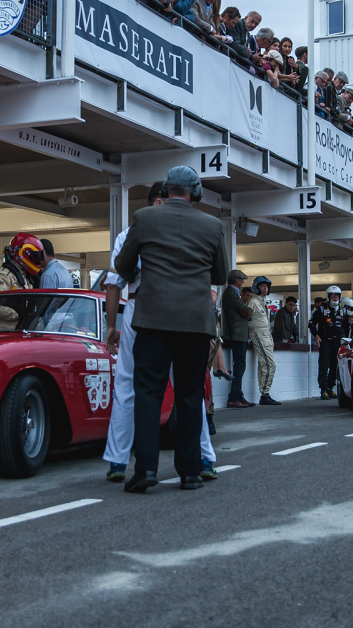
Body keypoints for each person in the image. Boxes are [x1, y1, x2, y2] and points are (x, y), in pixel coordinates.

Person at [114, 165, 230, 493]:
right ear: (195, 193)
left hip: (152, 321)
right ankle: (190, 472)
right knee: (190, 395)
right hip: (195, 323)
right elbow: (220, 275)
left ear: (166, 190)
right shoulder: (212, 225)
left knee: (148, 393)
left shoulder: (145, 218)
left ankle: (146, 469)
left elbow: (122, 267)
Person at [0, 232, 45, 331]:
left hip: (17, 331)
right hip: (0, 334)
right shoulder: (2, 276)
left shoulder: (25, 276)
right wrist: (22, 314)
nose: (36, 261)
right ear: (23, 254)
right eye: (34, 257)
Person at [310, 285, 350, 399]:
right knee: (324, 365)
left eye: (336, 295)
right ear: (328, 296)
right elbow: (311, 323)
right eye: (332, 295)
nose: (334, 297)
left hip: (337, 342)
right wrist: (316, 335)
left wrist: (346, 340)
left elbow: (347, 327)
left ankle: (330, 387)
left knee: (335, 365)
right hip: (325, 341)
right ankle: (323, 389)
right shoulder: (321, 309)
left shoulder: (343, 310)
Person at [221, 269, 253, 408]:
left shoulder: (233, 293)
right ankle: (233, 397)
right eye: (241, 280)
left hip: (239, 333)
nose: (243, 282)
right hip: (237, 333)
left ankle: (239, 395)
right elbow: (245, 311)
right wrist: (250, 311)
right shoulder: (231, 293)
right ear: (236, 280)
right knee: (239, 366)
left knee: (240, 366)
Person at [247, 276, 279, 405]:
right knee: (270, 364)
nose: (265, 289)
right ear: (257, 287)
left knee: (263, 365)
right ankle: (265, 393)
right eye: (262, 286)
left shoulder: (263, 302)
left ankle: (264, 393)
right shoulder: (253, 302)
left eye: (266, 287)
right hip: (258, 334)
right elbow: (246, 318)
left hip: (266, 335)